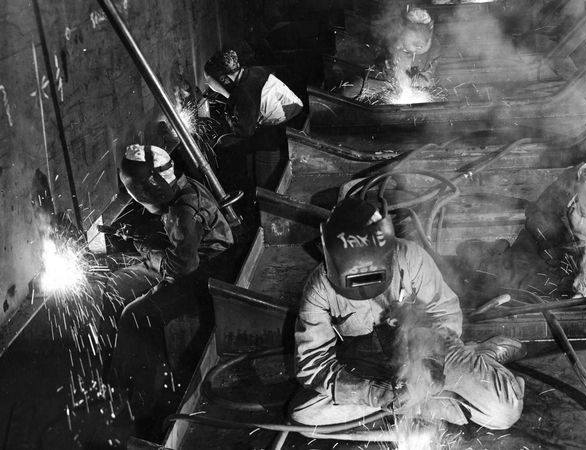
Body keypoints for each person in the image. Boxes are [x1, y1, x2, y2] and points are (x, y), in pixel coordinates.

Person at [289, 197, 525, 430]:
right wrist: (372, 394)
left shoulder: (411, 258)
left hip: (429, 350)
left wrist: (428, 368)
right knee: (305, 414)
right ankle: (427, 406)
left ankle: (477, 357)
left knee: (504, 411)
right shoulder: (319, 287)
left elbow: (444, 315)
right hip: (368, 365)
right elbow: (312, 362)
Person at [104, 144, 234, 436]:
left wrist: (146, 248)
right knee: (119, 281)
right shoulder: (184, 190)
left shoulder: (181, 213)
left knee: (134, 316)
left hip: (207, 279)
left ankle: (139, 398)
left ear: (149, 188)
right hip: (199, 262)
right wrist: (143, 240)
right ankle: (118, 373)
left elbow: (181, 268)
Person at [457, 154, 586, 298]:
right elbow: (536, 221)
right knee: (515, 283)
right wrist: (564, 256)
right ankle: (493, 252)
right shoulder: (567, 186)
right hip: (556, 248)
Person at [203, 48, 304, 190]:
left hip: (282, 135)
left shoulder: (246, 92)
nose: (210, 87)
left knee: (226, 146)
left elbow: (244, 131)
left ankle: (256, 191)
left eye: (209, 82)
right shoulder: (251, 72)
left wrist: (224, 125)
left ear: (223, 79)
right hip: (295, 121)